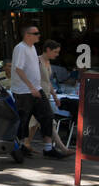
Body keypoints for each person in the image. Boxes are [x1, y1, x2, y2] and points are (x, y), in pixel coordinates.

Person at [10, 25, 65, 160]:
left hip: (36, 89)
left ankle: (48, 148)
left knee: (47, 115)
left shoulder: (32, 48)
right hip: (24, 91)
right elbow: (18, 69)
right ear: (27, 35)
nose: (39, 35)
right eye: (36, 33)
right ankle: (22, 147)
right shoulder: (20, 48)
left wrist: (36, 87)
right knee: (25, 120)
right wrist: (31, 87)